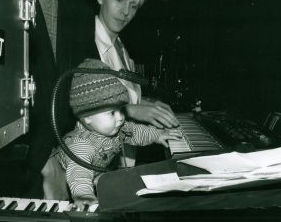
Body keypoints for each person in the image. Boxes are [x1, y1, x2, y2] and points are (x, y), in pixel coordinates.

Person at [47, 59, 182, 210]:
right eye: (112, 113)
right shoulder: (81, 144)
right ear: (87, 117)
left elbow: (136, 131)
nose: (120, 118)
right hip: (63, 182)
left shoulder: (116, 127)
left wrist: (158, 135)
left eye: (121, 109)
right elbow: (79, 173)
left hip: (95, 176)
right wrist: (84, 194)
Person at [23, 0, 98, 198]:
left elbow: (87, 85)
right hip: (18, 165)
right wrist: (41, 157)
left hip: (63, 157)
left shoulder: (79, 5)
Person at [94, 0, 179, 167]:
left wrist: (146, 103)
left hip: (122, 164)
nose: (126, 12)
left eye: (133, 6)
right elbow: (81, 107)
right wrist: (131, 110)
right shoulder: (84, 42)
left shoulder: (121, 48)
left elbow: (118, 95)